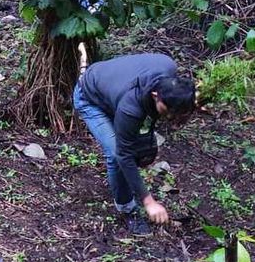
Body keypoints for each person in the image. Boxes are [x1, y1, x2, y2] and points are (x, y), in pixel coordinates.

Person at [72, 53, 195, 235]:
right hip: (90, 98)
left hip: (112, 90)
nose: (171, 118)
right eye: (169, 112)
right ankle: (127, 208)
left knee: (137, 149)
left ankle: (128, 184)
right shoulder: (131, 109)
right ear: (155, 96)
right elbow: (124, 154)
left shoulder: (168, 66)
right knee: (116, 154)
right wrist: (148, 201)